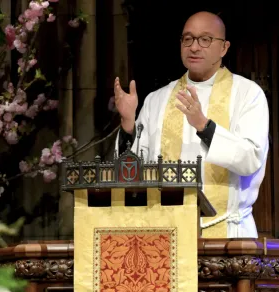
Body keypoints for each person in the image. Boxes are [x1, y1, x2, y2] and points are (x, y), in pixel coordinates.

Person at [114, 11, 269, 238]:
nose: (194, 47)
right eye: (188, 39)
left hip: (227, 234)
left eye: (205, 39)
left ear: (224, 48)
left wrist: (204, 126)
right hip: (164, 233)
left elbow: (251, 159)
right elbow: (134, 172)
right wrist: (128, 125)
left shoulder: (247, 94)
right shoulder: (157, 99)